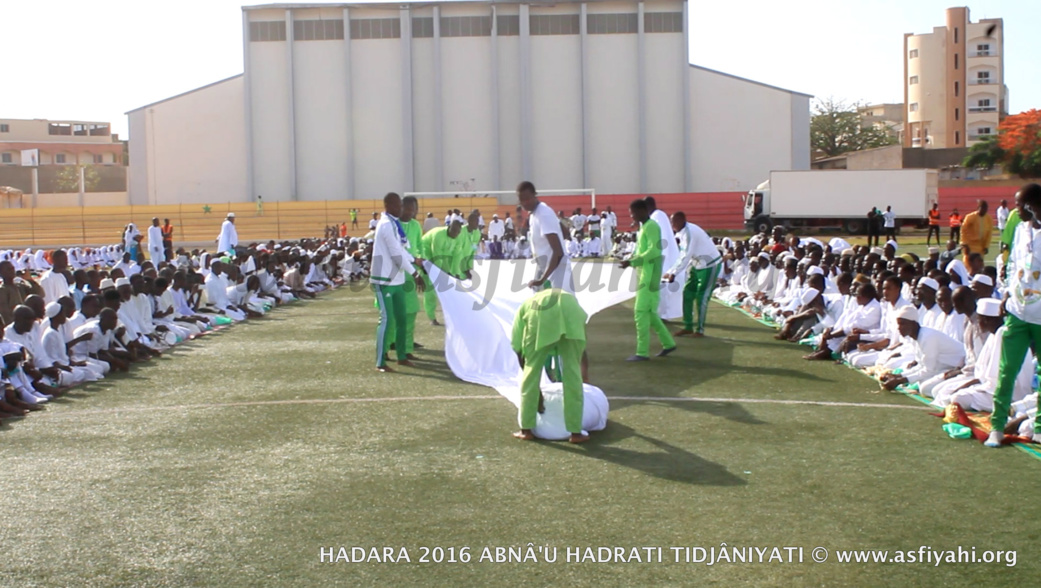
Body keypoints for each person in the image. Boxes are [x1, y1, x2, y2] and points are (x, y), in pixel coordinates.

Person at [987, 184, 1041, 446]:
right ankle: (996, 427)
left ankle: (1040, 427)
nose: (1016, 210)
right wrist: (1007, 293)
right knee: (1007, 370)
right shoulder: (1019, 230)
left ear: (1033, 205)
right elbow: (1012, 265)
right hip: (1018, 312)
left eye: (1020, 205)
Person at [511, 288, 588, 444]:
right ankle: (576, 433)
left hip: (538, 314)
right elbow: (582, 352)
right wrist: (585, 379)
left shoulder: (526, 304)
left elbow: (517, 347)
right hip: (570, 310)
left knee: (531, 371)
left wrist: (535, 388)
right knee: (572, 371)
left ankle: (526, 430)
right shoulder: (567, 298)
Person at [371, 193, 423, 373]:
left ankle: (402, 356)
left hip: (398, 280)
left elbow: (402, 249)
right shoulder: (385, 225)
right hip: (384, 279)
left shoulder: (395, 224)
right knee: (387, 320)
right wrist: (415, 273)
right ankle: (380, 361)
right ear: (388, 206)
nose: (401, 208)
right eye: (398, 205)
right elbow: (395, 254)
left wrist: (414, 260)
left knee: (401, 319)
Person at [619, 198, 676, 361]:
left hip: (650, 275)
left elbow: (654, 252)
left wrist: (632, 261)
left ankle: (642, 352)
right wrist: (631, 259)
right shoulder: (644, 227)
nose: (632, 217)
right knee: (650, 314)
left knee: (640, 312)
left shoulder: (651, 226)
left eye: (633, 213)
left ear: (642, 211)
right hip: (645, 273)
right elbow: (644, 250)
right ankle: (668, 343)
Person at [666, 211, 721, 338]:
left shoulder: (690, 232)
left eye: (673, 222)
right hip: (697, 264)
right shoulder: (683, 232)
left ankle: (700, 330)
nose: (672, 225)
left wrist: (673, 273)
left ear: (680, 221)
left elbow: (686, 255)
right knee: (687, 292)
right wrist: (670, 271)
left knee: (702, 297)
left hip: (709, 265)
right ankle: (688, 326)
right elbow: (682, 255)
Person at [517, 182, 571, 292]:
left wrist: (542, 279)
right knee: (538, 305)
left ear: (535, 195)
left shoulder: (543, 213)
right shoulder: (535, 213)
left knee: (562, 307)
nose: (525, 203)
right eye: (522, 200)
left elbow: (558, 252)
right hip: (545, 267)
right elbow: (565, 232)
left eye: (527, 199)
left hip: (556, 270)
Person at [421, 219, 464, 326]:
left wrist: (455, 273)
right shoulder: (438, 235)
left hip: (443, 255)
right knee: (430, 287)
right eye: (454, 231)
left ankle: (452, 317)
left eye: (458, 232)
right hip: (427, 253)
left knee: (448, 286)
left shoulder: (458, 238)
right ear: (449, 228)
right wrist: (441, 275)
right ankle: (432, 317)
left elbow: (457, 257)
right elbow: (437, 257)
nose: (455, 234)